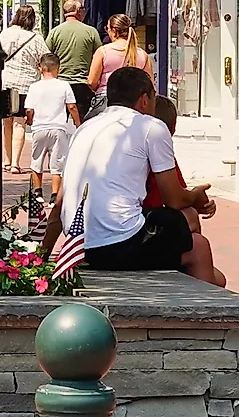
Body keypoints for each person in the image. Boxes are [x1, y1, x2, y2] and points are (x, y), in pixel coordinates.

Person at [50, 65, 224, 284]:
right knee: (197, 245)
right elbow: (174, 199)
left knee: (174, 226)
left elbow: (60, 203)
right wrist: (196, 196)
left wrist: (41, 256)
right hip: (118, 243)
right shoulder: (151, 127)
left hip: (80, 243)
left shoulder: (85, 129)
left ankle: (211, 282)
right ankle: (208, 308)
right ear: (144, 100)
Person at [22, 50, 79, 205]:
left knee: (36, 160)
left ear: (40, 68)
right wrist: (78, 123)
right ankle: (54, 195)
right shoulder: (64, 85)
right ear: (58, 68)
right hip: (58, 128)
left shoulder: (34, 87)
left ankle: (38, 192)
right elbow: (72, 106)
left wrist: (30, 120)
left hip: (39, 128)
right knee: (57, 163)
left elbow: (29, 109)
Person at [0, 6, 48, 171]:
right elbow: (44, 59)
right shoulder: (35, 38)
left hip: (5, 81)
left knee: (6, 122)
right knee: (19, 123)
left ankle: (6, 160)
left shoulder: (5, 34)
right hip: (25, 84)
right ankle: (15, 163)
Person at [48, 5, 103, 121]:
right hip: (83, 83)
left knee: (59, 122)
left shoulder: (55, 32)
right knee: (84, 123)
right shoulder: (91, 31)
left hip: (61, 82)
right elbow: (101, 54)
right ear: (78, 11)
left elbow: (47, 56)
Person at [88, 13, 151, 95]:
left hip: (106, 97)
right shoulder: (142, 54)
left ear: (113, 31)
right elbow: (149, 83)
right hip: (133, 99)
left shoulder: (103, 52)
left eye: (107, 28)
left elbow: (91, 82)